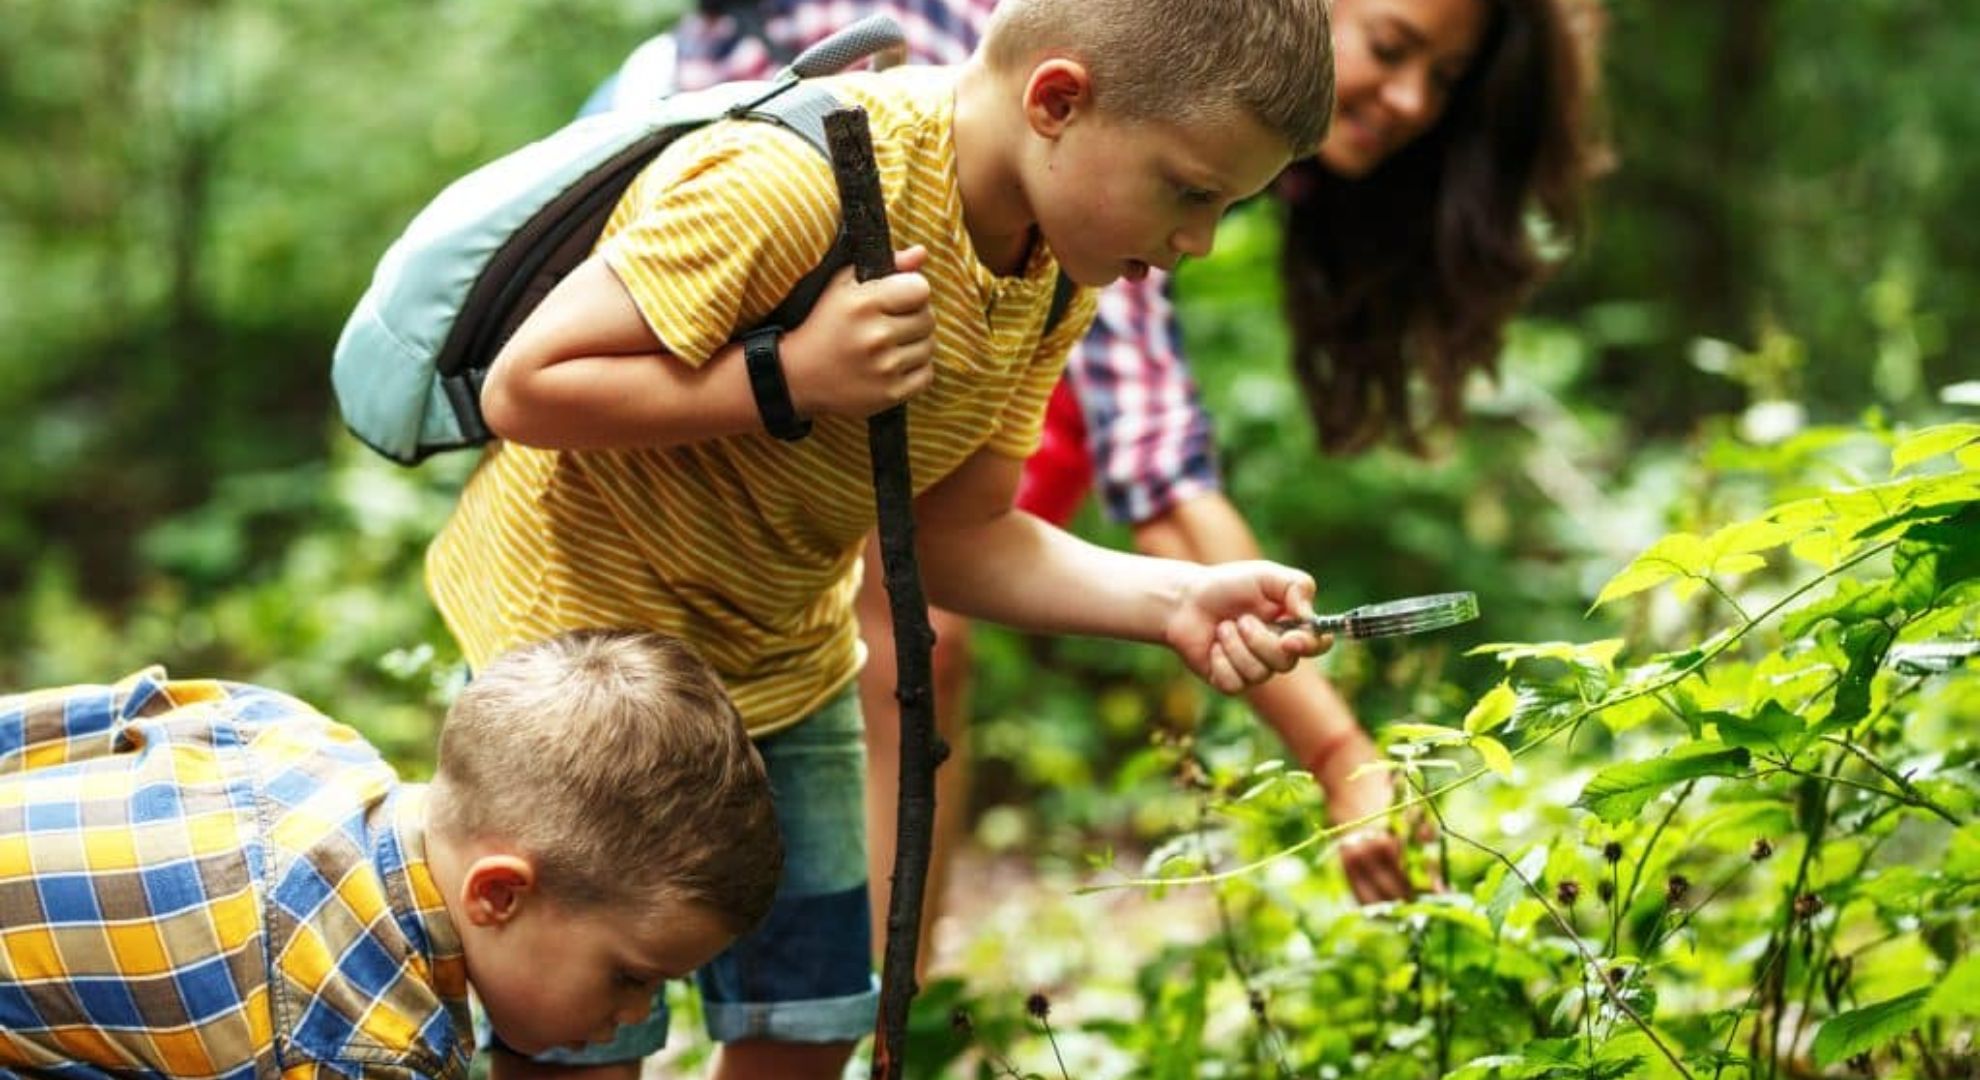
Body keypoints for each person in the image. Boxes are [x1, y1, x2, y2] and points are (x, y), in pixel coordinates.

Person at [424, 0, 1339, 1075]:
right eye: (1189, 191)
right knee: (584, 1019)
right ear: (1057, 100)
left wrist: (1175, 601)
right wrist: (790, 376)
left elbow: (959, 539)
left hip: (781, 651)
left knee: (812, 1017)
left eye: (1226, 207)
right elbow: (530, 388)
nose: (1197, 243)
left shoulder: (1050, 276)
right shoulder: (795, 182)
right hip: (586, 651)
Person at [588, 0, 1605, 965]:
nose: (1417, 102)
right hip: (678, 255)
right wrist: (1341, 757)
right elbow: (1158, 473)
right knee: (899, 629)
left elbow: (998, 521)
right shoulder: (1102, 101)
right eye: (1391, 47)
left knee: (924, 607)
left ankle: (881, 1014)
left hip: (839, 380)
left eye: (1446, 78)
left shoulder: (1174, 148)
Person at [0, 630, 781, 1078]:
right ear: (499, 895)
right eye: (630, 975)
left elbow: (73, 723)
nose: (639, 1013)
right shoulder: (367, 1039)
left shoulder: (298, 738)